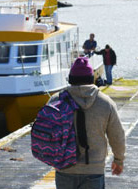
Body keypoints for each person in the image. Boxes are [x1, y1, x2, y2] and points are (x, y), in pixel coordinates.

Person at [50, 57, 125, 188]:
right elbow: (117, 136)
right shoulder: (106, 103)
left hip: (64, 169)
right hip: (93, 169)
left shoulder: (56, 101)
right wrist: (118, 160)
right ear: (91, 78)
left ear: (71, 79)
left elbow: (46, 133)